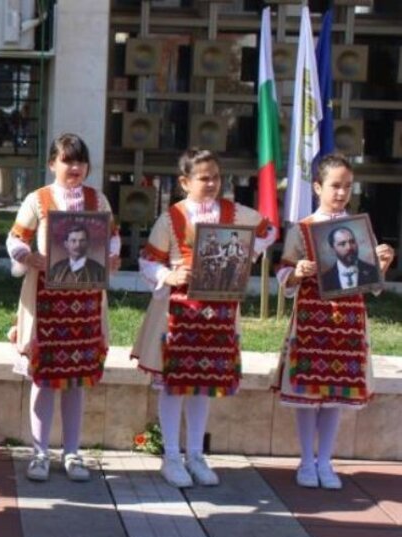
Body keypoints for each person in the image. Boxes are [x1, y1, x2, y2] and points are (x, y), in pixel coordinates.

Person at [131, 148, 276, 488]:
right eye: (203, 178)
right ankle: (170, 455)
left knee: (202, 387)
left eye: (216, 177)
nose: (211, 184)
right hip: (178, 315)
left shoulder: (234, 212)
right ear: (184, 182)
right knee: (173, 385)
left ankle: (195, 454)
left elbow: (267, 230)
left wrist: (244, 255)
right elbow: (147, 260)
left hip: (219, 313)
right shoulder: (172, 218)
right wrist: (168, 275)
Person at [274, 153, 395, 490]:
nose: (341, 192)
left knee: (334, 395)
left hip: (348, 321)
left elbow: (370, 284)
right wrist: (296, 272)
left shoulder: (357, 229)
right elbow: (282, 272)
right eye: (334, 185)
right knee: (309, 392)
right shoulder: (303, 229)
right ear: (317, 186)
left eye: (346, 186)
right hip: (313, 318)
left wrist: (382, 263)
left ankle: (325, 460)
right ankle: (306, 460)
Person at [7, 133, 120, 483]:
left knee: (75, 380)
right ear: (52, 164)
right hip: (46, 302)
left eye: (80, 161)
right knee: (44, 380)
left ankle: (72, 451)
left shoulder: (96, 198)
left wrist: (113, 256)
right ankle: (39, 452)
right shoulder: (38, 199)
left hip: (84, 303)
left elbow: (111, 235)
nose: (75, 167)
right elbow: (14, 238)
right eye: (68, 160)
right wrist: (29, 257)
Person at [318, 225, 379, 292]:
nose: (349, 247)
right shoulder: (324, 279)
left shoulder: (373, 271)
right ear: (332, 249)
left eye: (352, 242)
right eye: (342, 244)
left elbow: (377, 294)